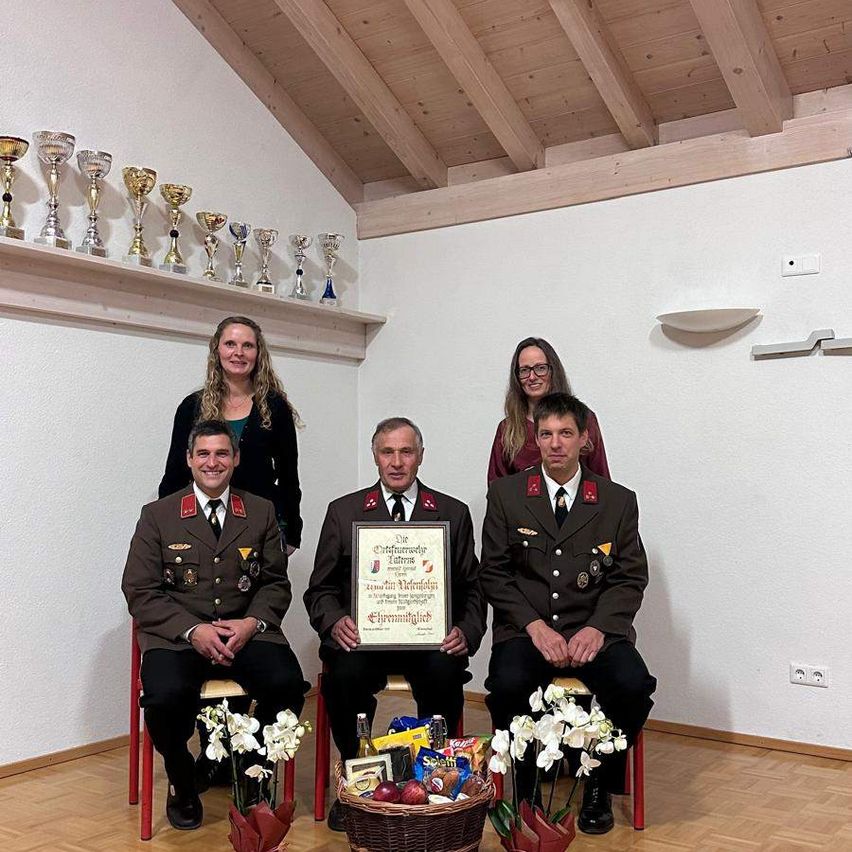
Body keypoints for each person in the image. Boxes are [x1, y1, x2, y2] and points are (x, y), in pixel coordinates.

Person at [480, 393, 655, 835]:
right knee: (507, 685)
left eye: (565, 433)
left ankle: (597, 783)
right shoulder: (506, 495)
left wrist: (599, 628)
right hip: (528, 630)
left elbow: (629, 577)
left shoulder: (617, 501)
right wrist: (535, 627)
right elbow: (494, 574)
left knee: (632, 685)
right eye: (546, 434)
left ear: (584, 439)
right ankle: (526, 792)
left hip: (593, 631)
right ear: (535, 440)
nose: (555, 443)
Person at [305, 417, 486, 831]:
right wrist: (335, 622)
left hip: (429, 639)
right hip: (364, 639)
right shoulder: (344, 512)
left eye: (406, 452)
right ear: (375, 455)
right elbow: (320, 589)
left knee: (444, 673)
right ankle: (359, 782)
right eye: (388, 452)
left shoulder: (453, 513)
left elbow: (472, 587)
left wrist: (466, 631)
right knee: (343, 677)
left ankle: (433, 784)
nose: (397, 462)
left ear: (421, 456)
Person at [123, 420, 306, 831]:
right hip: (179, 637)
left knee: (288, 685)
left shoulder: (259, 511)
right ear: (189, 459)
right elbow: (139, 589)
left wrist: (252, 623)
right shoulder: (158, 515)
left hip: (244, 632)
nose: (212, 462)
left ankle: (252, 770)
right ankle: (182, 779)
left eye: (222, 453)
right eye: (203, 454)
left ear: (236, 459)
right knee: (163, 697)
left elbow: (275, 583)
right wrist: (193, 630)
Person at [159, 315, 303, 554]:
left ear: (258, 353)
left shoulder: (275, 407)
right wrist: (164, 525)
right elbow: (175, 474)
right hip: (202, 525)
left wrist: (292, 534)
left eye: (248, 345)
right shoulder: (191, 407)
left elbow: (289, 477)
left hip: (260, 525)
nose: (239, 353)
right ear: (217, 350)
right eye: (230, 344)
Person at [487, 337, 610, 483]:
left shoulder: (584, 419)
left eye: (540, 368)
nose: (532, 377)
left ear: (553, 371)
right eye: (524, 370)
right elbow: (497, 488)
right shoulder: (507, 429)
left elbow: (601, 480)